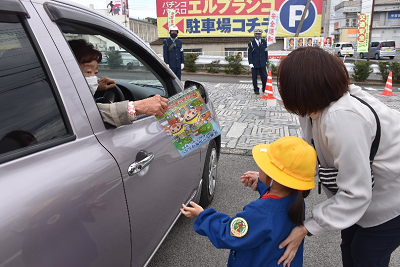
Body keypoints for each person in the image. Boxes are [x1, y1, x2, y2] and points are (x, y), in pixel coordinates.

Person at [273, 47, 400, 267]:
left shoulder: (342, 118)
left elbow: (356, 193)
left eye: (284, 85)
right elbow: (308, 154)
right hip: (369, 191)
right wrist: (272, 175)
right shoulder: (313, 109)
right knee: (349, 244)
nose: (282, 90)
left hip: (392, 198)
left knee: (365, 254)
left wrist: (307, 227)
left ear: (302, 88)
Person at [181, 136, 317, 267]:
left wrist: (202, 215)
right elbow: (277, 198)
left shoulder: (258, 212)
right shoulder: (296, 199)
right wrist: (262, 183)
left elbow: (228, 233)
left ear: (271, 175)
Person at [68, 39, 168, 127]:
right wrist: (136, 107)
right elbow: (88, 114)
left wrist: (96, 87)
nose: (93, 78)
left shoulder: (62, 92)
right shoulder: (64, 102)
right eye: (88, 72)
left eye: (96, 73)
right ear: (67, 71)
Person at [247, 28, 268, 95]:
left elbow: (266, 51)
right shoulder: (251, 43)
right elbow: (249, 54)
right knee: (254, 77)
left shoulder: (263, 42)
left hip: (262, 62)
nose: (257, 35)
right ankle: (256, 89)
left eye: (259, 34)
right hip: (254, 63)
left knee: (264, 77)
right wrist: (250, 63)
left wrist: (266, 60)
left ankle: (264, 88)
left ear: (261, 34)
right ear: (254, 34)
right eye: (256, 34)